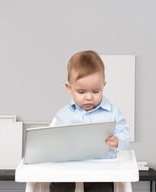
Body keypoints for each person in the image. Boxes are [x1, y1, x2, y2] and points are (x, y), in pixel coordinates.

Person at [50, 50, 130, 192]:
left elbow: (124, 134)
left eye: (95, 91)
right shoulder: (63, 115)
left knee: (103, 188)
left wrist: (117, 140)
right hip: (69, 167)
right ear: (69, 88)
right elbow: (53, 140)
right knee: (60, 184)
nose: (89, 97)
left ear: (103, 86)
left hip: (101, 169)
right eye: (81, 92)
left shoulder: (113, 113)